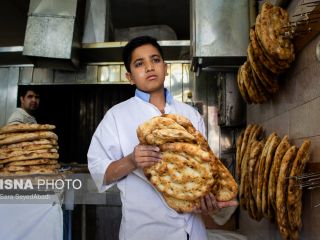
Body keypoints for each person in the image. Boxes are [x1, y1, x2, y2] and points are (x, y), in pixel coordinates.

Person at [87, 36, 238, 240]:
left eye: (155, 60)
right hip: (146, 231)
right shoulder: (117, 116)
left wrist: (207, 201)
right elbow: (99, 172)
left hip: (193, 232)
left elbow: (204, 167)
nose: (150, 67)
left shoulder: (190, 115)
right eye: (140, 64)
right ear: (129, 77)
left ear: (166, 68)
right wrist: (132, 160)